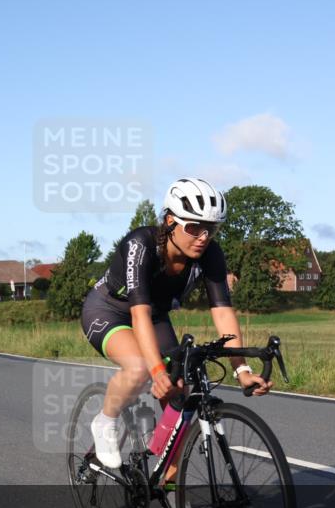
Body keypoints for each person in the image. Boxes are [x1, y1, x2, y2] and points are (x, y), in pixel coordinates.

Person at [81, 177, 273, 473]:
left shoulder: (210, 254)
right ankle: (105, 420)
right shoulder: (141, 244)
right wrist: (157, 370)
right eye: (194, 227)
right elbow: (139, 314)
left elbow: (223, 313)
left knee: (179, 397)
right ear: (170, 221)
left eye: (211, 229)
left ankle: (167, 486)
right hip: (109, 310)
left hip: (154, 315)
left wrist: (242, 370)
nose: (203, 237)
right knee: (140, 368)